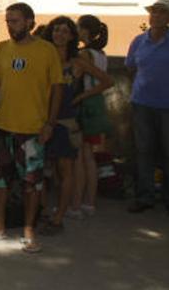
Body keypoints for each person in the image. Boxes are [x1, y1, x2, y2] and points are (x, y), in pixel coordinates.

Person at [0, 2, 63, 254]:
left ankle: (29, 229)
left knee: (32, 183)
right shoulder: (2, 49)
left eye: (15, 20)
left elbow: (58, 88)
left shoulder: (47, 51)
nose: (10, 25)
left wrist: (50, 122)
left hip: (33, 129)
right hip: (2, 125)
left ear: (29, 22)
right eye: (7, 21)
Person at [39, 16, 111, 235]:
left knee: (66, 171)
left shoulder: (77, 62)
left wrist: (80, 97)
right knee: (40, 171)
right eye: (56, 30)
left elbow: (108, 81)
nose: (59, 34)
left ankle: (59, 216)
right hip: (41, 120)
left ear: (72, 36)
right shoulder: (43, 58)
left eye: (64, 31)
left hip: (66, 121)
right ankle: (43, 212)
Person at [125, 0, 169, 214]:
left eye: (161, 12)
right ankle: (145, 197)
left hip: (168, 106)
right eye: (153, 11)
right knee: (144, 151)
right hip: (142, 104)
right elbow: (131, 68)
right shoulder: (138, 41)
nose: (156, 16)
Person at [75, 14, 111, 215]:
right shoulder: (101, 53)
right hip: (97, 104)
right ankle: (89, 202)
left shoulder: (84, 55)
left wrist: (80, 97)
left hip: (86, 104)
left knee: (81, 156)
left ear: (85, 31)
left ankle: (78, 201)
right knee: (89, 155)